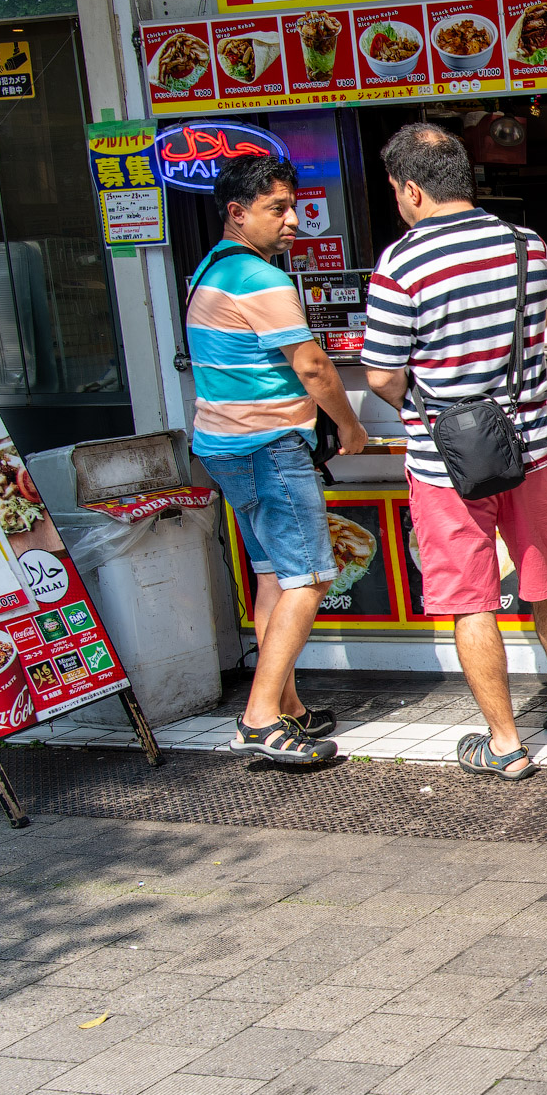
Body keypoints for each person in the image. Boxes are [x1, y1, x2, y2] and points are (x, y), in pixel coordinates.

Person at [360, 123, 547, 782]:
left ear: (410, 189)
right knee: (545, 573)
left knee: (473, 598)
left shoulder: (400, 264)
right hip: (530, 444)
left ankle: (504, 743)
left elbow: (380, 374)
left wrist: (424, 404)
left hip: (449, 463)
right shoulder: (528, 245)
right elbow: (538, 326)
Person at [191, 153, 367, 764]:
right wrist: (349, 425)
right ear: (237, 213)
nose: (293, 220)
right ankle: (260, 717)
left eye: (292, 206)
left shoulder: (210, 269)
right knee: (310, 578)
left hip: (225, 447)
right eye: (278, 209)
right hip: (267, 446)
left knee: (273, 574)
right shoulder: (258, 278)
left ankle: (286, 704)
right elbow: (313, 365)